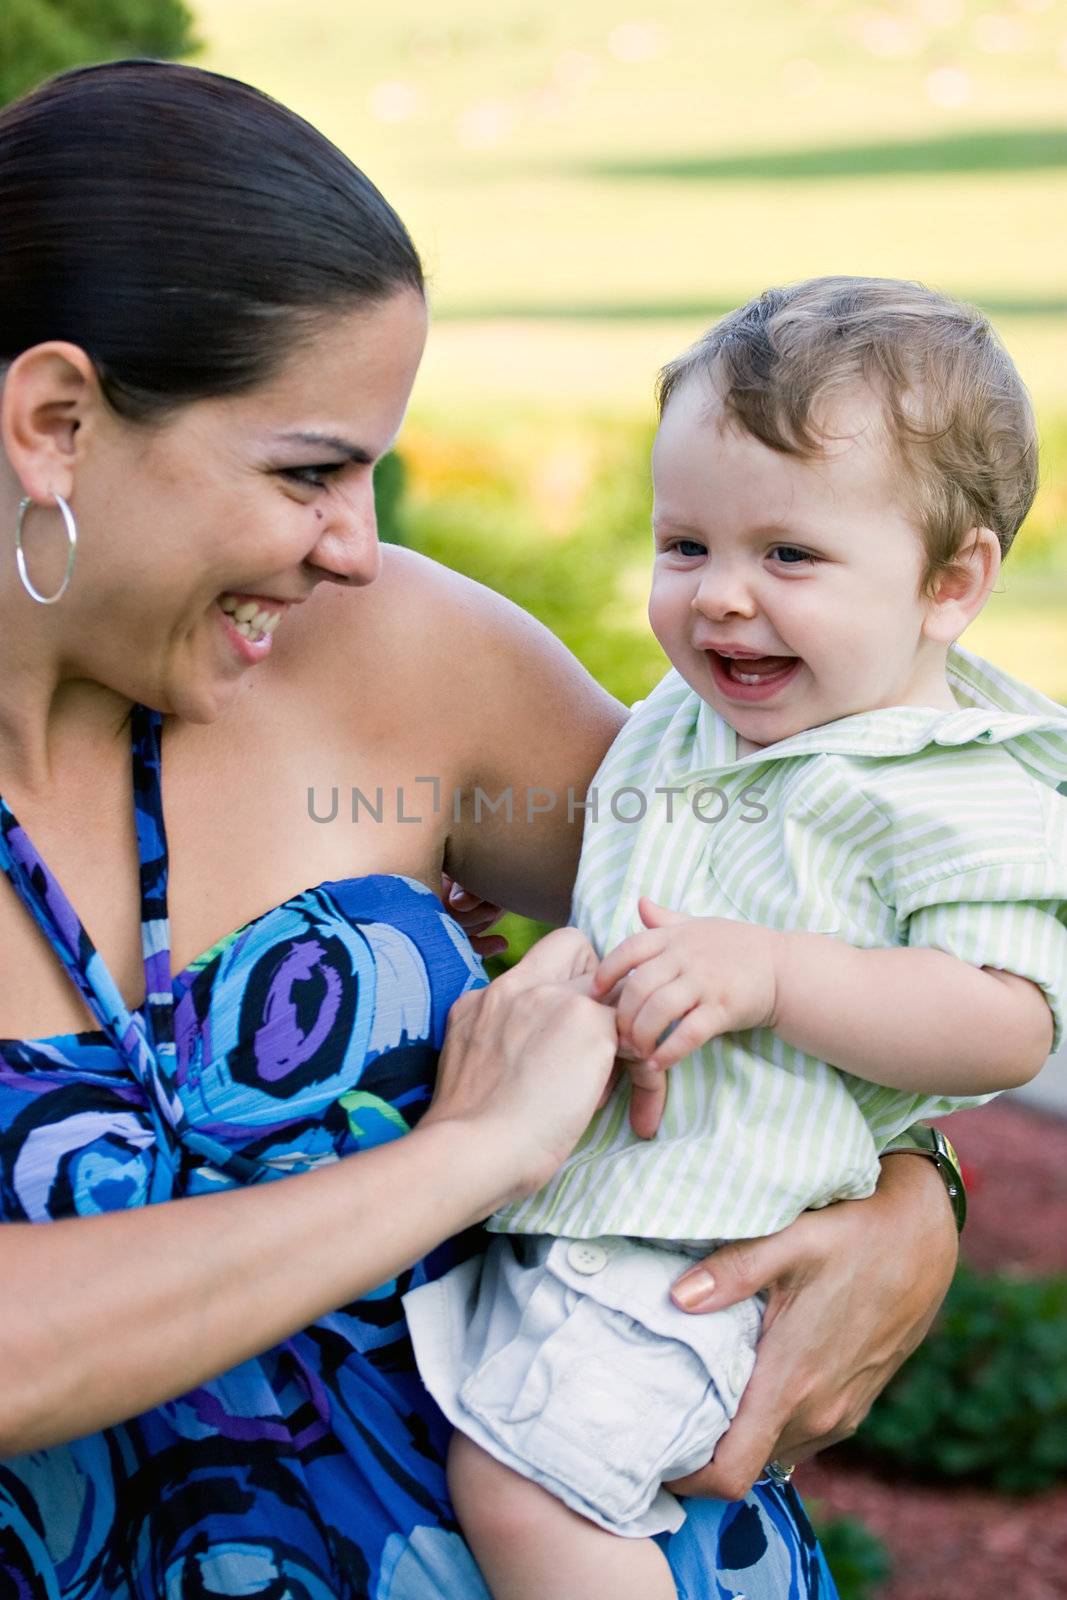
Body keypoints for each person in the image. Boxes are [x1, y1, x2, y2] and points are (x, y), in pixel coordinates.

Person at [0, 63, 961, 1600]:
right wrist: (468, 1156)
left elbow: (815, 928)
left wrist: (921, 1208)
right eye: (308, 469)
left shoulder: (406, 664)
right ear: (55, 423)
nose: (359, 546)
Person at [405, 278, 1067, 1600]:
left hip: (712, 1248)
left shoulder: (957, 785)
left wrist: (775, 975)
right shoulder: (687, 726)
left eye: (789, 557)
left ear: (951, 582)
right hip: (600, 1219)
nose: (720, 599)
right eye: (685, 546)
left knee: (525, 1489)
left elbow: (1011, 1020)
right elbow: (631, 884)